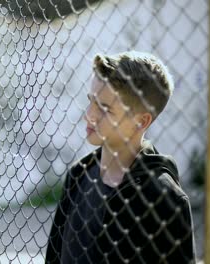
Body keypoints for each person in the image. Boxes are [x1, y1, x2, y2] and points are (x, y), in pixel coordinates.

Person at [45, 51, 196, 263]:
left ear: (141, 121)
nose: (89, 115)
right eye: (91, 101)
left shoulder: (165, 198)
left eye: (105, 108)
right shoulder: (78, 177)